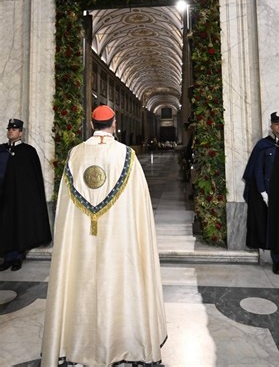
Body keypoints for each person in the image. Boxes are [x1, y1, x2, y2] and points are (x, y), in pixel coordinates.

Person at [41, 105, 167, 366]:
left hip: (81, 243)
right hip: (119, 241)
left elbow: (65, 205)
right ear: (114, 123)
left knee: (78, 279)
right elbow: (139, 206)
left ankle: (73, 341)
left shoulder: (75, 155)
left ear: (91, 123)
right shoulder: (127, 156)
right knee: (120, 283)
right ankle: (126, 344)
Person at [243, 111, 279, 275]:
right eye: (276, 123)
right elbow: (257, 170)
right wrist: (263, 193)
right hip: (272, 196)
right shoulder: (263, 145)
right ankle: (278, 260)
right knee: (276, 227)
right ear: (271, 126)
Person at [0, 118, 52, 271]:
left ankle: (17, 258)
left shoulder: (28, 152)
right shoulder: (2, 151)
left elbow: (32, 179)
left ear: (21, 133)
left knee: (20, 226)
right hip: (4, 197)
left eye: (14, 129)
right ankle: (7, 257)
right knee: (5, 226)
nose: (11, 131)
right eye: (9, 129)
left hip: (21, 198)